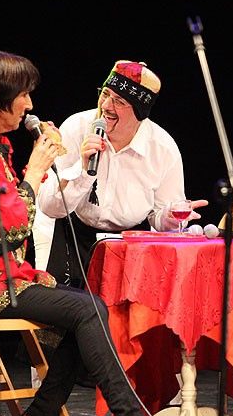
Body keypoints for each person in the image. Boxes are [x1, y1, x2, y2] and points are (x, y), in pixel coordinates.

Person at [0, 50, 176, 416]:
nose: (29, 104)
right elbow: (0, 237)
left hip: (0, 277)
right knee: (88, 309)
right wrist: (35, 171)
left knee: (89, 308)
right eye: (23, 95)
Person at [36, 60, 207, 287]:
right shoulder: (76, 128)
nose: (106, 105)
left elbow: (159, 218)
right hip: (74, 238)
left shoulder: (163, 148)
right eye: (105, 94)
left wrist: (169, 218)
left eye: (119, 101)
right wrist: (83, 170)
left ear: (139, 111)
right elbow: (49, 208)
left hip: (131, 246)